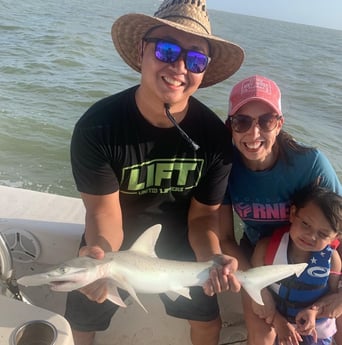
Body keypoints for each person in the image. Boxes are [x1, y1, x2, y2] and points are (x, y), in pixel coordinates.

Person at [65, 1, 245, 345]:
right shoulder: (98, 127)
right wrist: (101, 256)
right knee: (81, 315)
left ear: (203, 70)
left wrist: (211, 261)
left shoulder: (215, 138)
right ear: (141, 51)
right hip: (113, 238)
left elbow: (203, 219)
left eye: (195, 59)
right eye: (166, 49)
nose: (178, 67)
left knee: (208, 323)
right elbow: (103, 211)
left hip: (182, 240)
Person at [219, 75, 342, 344]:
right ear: (230, 127)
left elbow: (338, 224)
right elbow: (224, 238)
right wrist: (256, 286)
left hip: (314, 262)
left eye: (266, 121)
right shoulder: (224, 167)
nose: (254, 134)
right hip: (257, 260)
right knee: (262, 339)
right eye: (242, 122)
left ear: (279, 125)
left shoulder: (310, 164)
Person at [251, 184, 342, 345]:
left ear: (336, 237)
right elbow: (256, 289)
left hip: (316, 328)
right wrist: (278, 322)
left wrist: (314, 312)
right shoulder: (265, 249)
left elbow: (332, 295)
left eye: (322, 234)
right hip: (279, 323)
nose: (311, 236)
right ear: (293, 214)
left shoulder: (332, 260)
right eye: (306, 224)